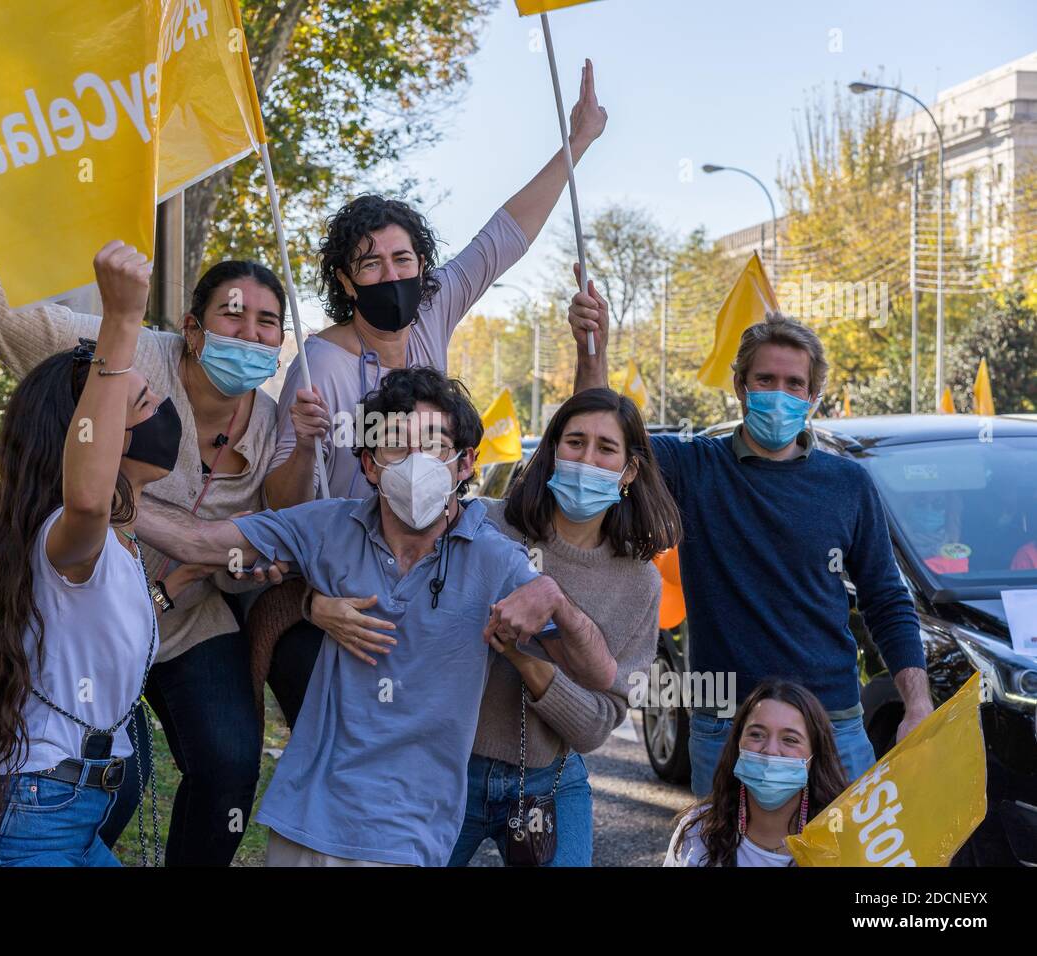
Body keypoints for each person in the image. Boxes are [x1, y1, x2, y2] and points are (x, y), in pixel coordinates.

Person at [0, 164, 329, 865]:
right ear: (190, 328)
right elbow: (0, 310)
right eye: (231, 314)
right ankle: (32, 841)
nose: (249, 331)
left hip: (174, 617)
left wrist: (239, 559)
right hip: (79, 628)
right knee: (110, 785)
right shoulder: (118, 360)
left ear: (280, 342)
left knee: (229, 763)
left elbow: (275, 532)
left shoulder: (274, 423)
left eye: (267, 321)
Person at [254, 60, 611, 728]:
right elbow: (279, 501)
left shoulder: (434, 312)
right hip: (343, 590)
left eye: (403, 259)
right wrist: (304, 444)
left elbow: (505, 236)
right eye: (370, 263)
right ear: (345, 279)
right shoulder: (319, 364)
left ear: (423, 268)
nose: (390, 274)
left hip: (430, 578)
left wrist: (578, 141)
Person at [144, 367, 615, 865]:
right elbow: (198, 542)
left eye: (434, 445)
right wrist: (108, 499)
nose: (416, 463)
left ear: (464, 463)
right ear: (370, 464)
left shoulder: (498, 561)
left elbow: (598, 675)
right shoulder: (328, 526)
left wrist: (557, 601)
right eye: (395, 446)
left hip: (405, 835)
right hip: (303, 820)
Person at [570, 285, 933, 799]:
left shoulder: (848, 484)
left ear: (812, 396)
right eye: (766, 380)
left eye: (794, 384)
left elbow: (887, 600)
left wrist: (916, 704)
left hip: (834, 726)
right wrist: (593, 350)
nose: (779, 394)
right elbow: (601, 433)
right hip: (728, 726)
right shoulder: (694, 468)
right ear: (740, 386)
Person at [307, 388, 681, 866]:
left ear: (629, 471)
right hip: (443, 768)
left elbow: (594, 725)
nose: (586, 459)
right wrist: (313, 604)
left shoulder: (639, 581)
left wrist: (525, 658)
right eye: (574, 442)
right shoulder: (484, 523)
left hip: (550, 781)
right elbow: (380, 568)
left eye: (606, 448)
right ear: (550, 452)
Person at [0, 241, 179, 865]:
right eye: (141, 403)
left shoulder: (109, 551)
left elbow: (96, 628)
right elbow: (90, 500)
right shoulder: (67, 534)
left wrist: (181, 582)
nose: (161, 413)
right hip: (31, 817)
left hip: (69, 812)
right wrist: (119, 322)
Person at [664, 679, 848, 867]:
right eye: (756, 734)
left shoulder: (841, 836)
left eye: (790, 739)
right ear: (737, 744)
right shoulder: (699, 832)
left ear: (815, 755)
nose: (770, 750)